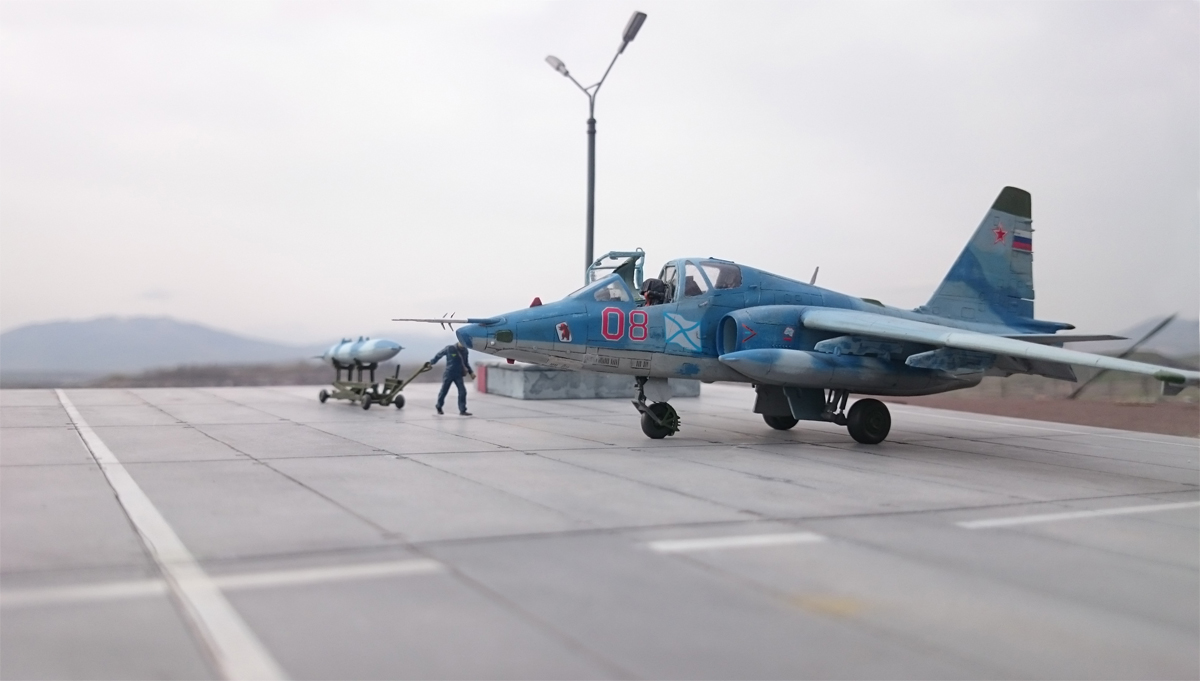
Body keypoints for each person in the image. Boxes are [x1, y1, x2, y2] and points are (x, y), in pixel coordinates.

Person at [430, 341, 474, 416]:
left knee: (462, 391)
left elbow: (466, 363)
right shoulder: (450, 348)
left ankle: (462, 410)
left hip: (458, 374)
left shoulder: (465, 351)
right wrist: (432, 362)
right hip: (449, 373)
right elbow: (439, 355)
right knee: (444, 391)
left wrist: (471, 372)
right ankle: (439, 406)